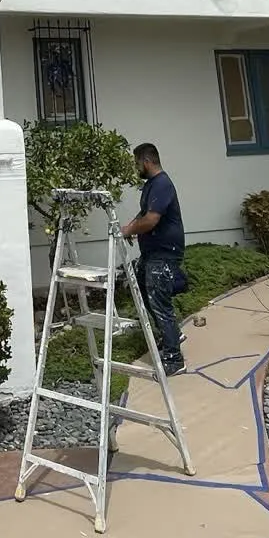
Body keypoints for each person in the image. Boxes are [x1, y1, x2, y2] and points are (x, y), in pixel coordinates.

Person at [121, 142, 187, 375]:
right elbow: (143, 216)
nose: (135, 167)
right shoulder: (151, 185)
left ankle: (174, 359)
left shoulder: (162, 184)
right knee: (145, 292)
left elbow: (150, 220)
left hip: (164, 253)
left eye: (137, 163)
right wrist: (129, 228)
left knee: (159, 302)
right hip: (152, 253)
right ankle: (173, 335)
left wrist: (131, 230)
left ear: (146, 162)